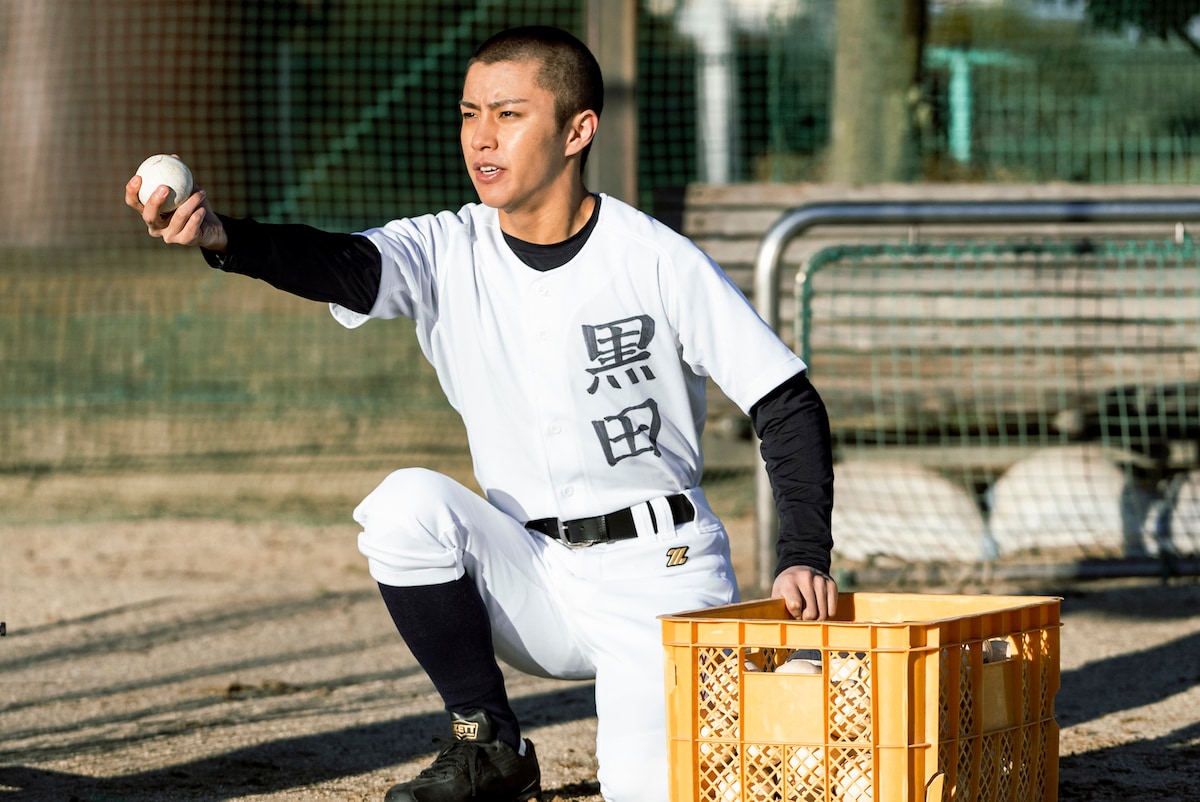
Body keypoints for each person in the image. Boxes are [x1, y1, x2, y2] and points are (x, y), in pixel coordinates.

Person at [126, 25, 837, 802]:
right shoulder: (447, 247)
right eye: (469, 114)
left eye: (507, 114)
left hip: (659, 579)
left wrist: (803, 550)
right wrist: (228, 237)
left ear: (577, 130)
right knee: (404, 508)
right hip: (531, 574)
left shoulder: (654, 258)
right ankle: (488, 740)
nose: (481, 138)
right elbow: (342, 264)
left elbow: (785, 400)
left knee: (647, 790)